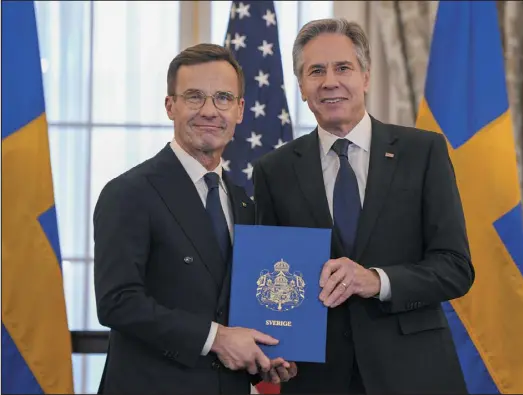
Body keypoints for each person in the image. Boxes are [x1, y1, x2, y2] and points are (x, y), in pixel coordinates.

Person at [252, 19, 475, 394]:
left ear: (365, 77)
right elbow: (269, 278)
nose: (329, 81)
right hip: (317, 376)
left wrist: (376, 280)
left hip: (414, 371)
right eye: (315, 71)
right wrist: (274, 347)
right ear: (302, 87)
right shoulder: (273, 171)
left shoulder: (424, 153)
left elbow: (455, 268)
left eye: (343, 68)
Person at [93, 43, 295, 395]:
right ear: (170, 106)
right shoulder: (129, 192)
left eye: (222, 98)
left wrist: (264, 354)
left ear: (240, 110)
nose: (209, 111)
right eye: (194, 97)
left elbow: (236, 309)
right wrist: (217, 338)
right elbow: (117, 302)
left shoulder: (245, 204)